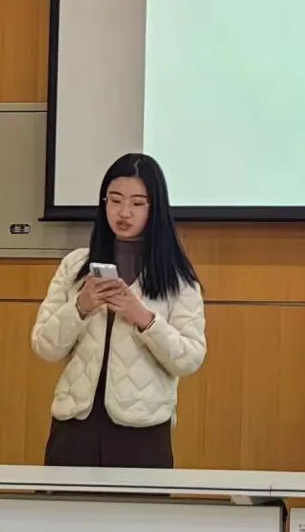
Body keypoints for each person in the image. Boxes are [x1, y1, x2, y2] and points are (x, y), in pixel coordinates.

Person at [31, 153, 205, 468]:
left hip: (143, 432)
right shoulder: (75, 266)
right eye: (115, 200)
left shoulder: (177, 277)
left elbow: (189, 358)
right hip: (74, 428)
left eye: (137, 203)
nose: (124, 212)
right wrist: (80, 307)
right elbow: (44, 346)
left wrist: (144, 319)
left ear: (155, 208)